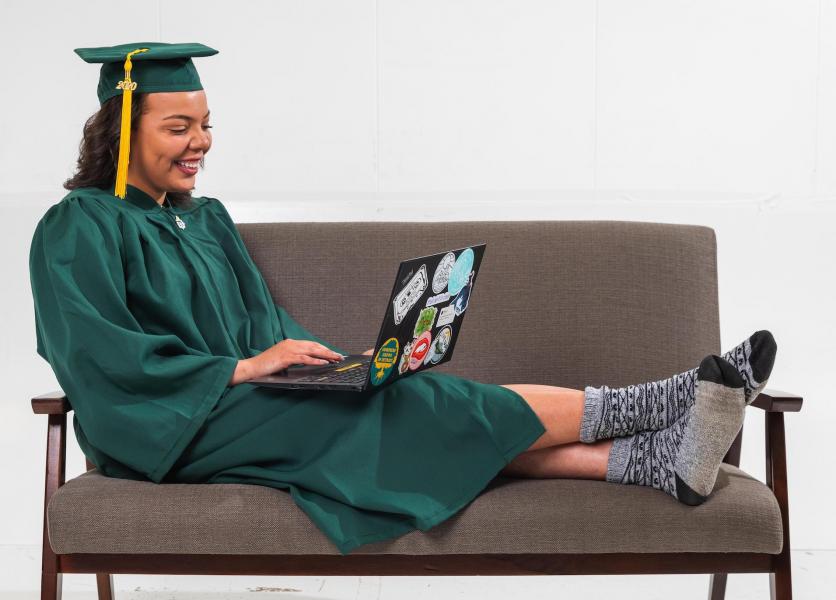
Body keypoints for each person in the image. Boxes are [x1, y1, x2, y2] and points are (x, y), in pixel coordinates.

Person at [29, 42, 778, 556]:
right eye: (178, 127)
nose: (201, 142)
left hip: (249, 406)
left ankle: (654, 463)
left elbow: (261, 325)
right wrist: (245, 372)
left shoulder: (205, 219)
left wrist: (313, 364)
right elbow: (97, 356)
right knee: (416, 408)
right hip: (170, 429)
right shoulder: (79, 226)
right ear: (124, 128)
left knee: (403, 409)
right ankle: (670, 400)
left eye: (206, 124)